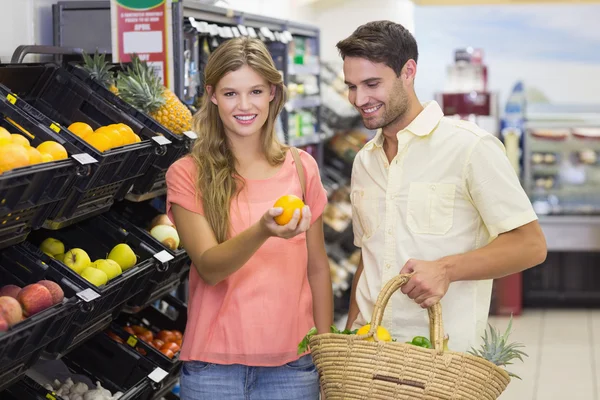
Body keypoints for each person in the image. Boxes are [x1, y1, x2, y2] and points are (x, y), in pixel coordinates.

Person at [337, 21, 547, 353]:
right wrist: (349, 340)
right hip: (371, 355)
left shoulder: (470, 148)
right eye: (351, 86)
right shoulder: (365, 161)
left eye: (372, 83)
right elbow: (369, 258)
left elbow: (531, 245)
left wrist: (446, 269)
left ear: (408, 72)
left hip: (442, 360)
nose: (359, 98)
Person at [165, 37, 332, 399]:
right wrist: (262, 230)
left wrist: (326, 350)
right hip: (213, 372)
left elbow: (317, 268)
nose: (244, 105)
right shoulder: (187, 173)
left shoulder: (302, 168)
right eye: (230, 94)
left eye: (255, 91)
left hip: (295, 368)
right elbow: (209, 266)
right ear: (211, 95)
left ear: (272, 92)